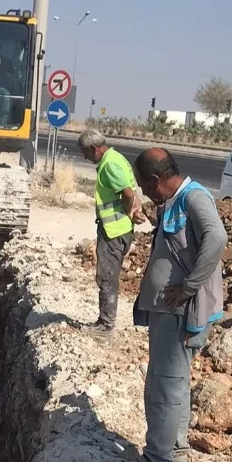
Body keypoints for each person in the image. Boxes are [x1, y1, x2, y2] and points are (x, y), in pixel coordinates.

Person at [128, 147, 226, 462]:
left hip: (178, 312)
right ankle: (176, 450)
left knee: (164, 386)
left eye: (143, 185)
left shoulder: (195, 198)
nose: (142, 191)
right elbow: (181, 240)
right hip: (168, 311)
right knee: (175, 382)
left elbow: (217, 238)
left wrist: (188, 286)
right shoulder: (176, 201)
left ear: (156, 180)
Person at [78, 129, 144, 333]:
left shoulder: (109, 164)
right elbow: (132, 190)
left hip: (114, 231)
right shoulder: (117, 158)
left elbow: (127, 193)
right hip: (121, 229)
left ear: (93, 149)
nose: (85, 157)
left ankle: (106, 325)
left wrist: (128, 209)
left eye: (85, 152)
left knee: (107, 277)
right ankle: (105, 321)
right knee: (109, 277)